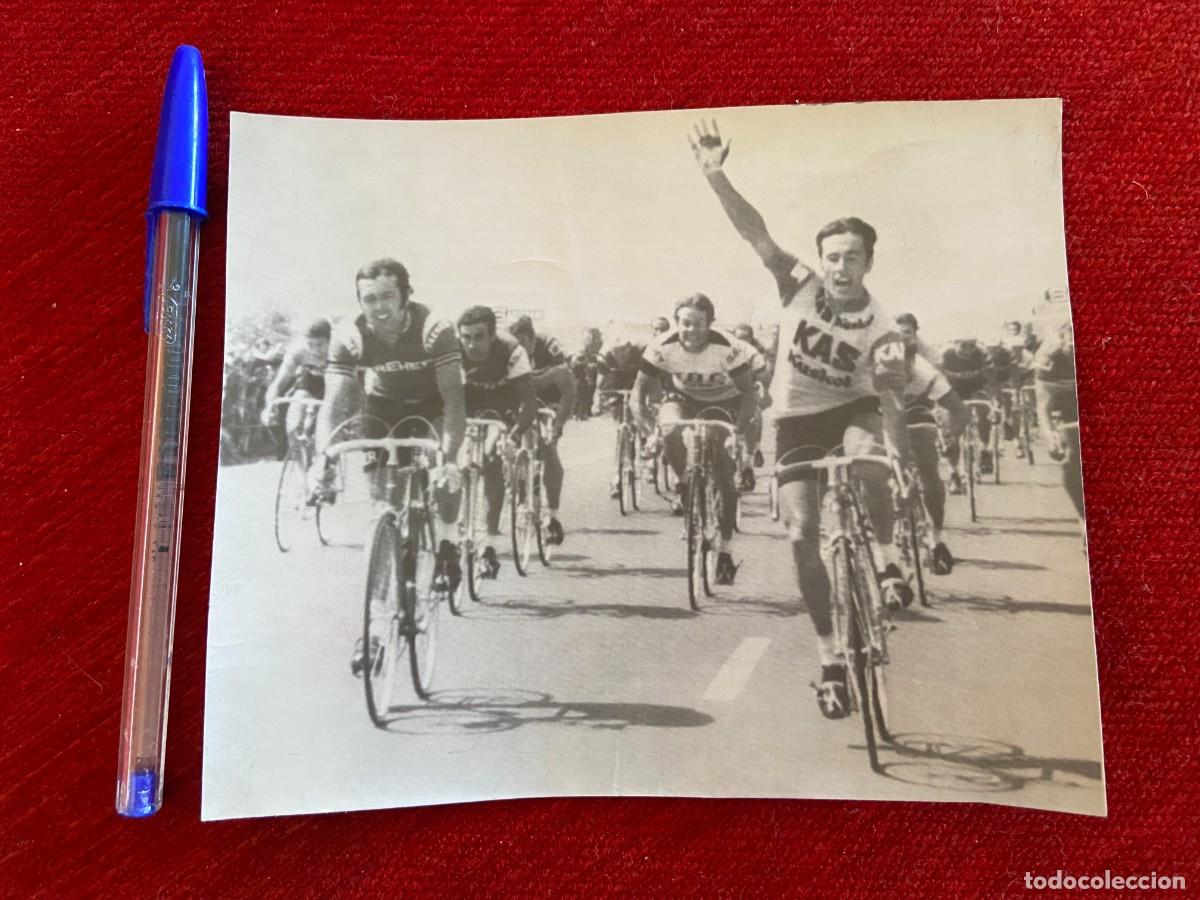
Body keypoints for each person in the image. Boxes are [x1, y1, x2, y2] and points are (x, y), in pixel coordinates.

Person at [689, 118, 913, 720]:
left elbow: (889, 395)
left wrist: (896, 459)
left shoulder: (884, 326)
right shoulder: (799, 286)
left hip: (852, 409)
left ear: (869, 263)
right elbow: (752, 231)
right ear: (821, 261)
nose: (841, 268)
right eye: (832, 257)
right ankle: (830, 660)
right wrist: (716, 177)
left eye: (853, 258)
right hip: (793, 420)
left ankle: (890, 563)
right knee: (800, 536)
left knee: (867, 463)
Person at [315, 258, 466, 678]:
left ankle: (450, 542)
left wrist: (449, 458)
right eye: (369, 299)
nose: (378, 307)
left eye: (387, 297)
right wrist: (321, 458)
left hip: (434, 408)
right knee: (383, 508)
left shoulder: (436, 328)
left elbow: (455, 401)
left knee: (443, 471)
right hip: (382, 409)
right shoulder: (349, 335)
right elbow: (335, 403)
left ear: (406, 296)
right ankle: (378, 629)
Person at [631, 294, 758, 585]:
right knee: (670, 429)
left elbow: (749, 395)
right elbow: (638, 394)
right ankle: (684, 483)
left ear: (710, 323)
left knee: (725, 474)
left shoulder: (728, 348)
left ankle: (725, 551)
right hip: (683, 397)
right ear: (677, 323)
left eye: (699, 324)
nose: (692, 330)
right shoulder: (662, 346)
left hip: (725, 401)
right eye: (685, 324)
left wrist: (737, 434)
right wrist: (648, 431)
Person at [458, 305, 538, 579]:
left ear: (493, 335)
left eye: (479, 337)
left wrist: (513, 436)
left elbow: (529, 404)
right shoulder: (453, 350)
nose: (471, 344)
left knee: (492, 460)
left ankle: (490, 544)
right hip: (468, 404)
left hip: (503, 404)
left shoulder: (513, 351)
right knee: (456, 462)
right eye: (466, 337)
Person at [897, 315, 967, 574]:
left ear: (915, 335)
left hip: (917, 414)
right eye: (897, 333)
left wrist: (949, 434)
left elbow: (951, 404)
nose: (902, 338)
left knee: (929, 478)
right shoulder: (873, 357)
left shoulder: (926, 362)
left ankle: (937, 538)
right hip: (882, 416)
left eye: (907, 333)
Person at [508, 315, 575, 546]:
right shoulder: (508, 349)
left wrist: (558, 425)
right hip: (522, 396)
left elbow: (568, 389)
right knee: (510, 443)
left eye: (524, 344)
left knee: (548, 447)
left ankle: (553, 515)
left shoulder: (550, 347)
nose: (521, 350)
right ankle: (520, 484)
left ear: (533, 339)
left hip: (550, 396)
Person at [1034, 320, 1084, 519]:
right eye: (1072, 348)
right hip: (1067, 404)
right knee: (1071, 459)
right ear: (1062, 343)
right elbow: (1044, 407)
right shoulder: (1048, 360)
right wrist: (1050, 435)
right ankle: (1084, 520)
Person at [261, 318, 331, 455]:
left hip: (336, 379)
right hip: (311, 379)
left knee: (330, 419)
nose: (315, 350)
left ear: (330, 339)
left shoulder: (339, 346)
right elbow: (279, 383)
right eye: (310, 344)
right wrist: (269, 407)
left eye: (320, 345)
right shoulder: (297, 350)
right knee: (295, 417)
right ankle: (299, 458)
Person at [596, 328, 649, 498]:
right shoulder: (605, 356)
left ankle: (643, 435)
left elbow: (650, 380)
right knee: (620, 424)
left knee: (640, 408)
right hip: (616, 379)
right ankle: (617, 475)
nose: (620, 356)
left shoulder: (642, 350)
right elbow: (601, 382)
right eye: (616, 352)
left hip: (638, 378)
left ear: (629, 348)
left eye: (623, 352)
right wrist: (597, 400)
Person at [940, 337, 997, 488]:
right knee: (952, 434)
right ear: (955, 343)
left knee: (983, 413)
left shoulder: (982, 355)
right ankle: (953, 473)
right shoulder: (946, 355)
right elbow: (937, 376)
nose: (967, 350)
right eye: (963, 346)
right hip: (953, 392)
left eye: (971, 346)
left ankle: (985, 450)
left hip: (975, 390)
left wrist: (993, 400)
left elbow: (991, 378)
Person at [569, 327, 603, 420]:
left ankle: (585, 410)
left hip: (588, 378)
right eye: (589, 339)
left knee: (589, 389)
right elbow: (573, 364)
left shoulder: (595, 353)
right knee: (580, 390)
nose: (591, 341)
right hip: (580, 377)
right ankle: (577, 412)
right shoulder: (579, 351)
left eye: (593, 339)